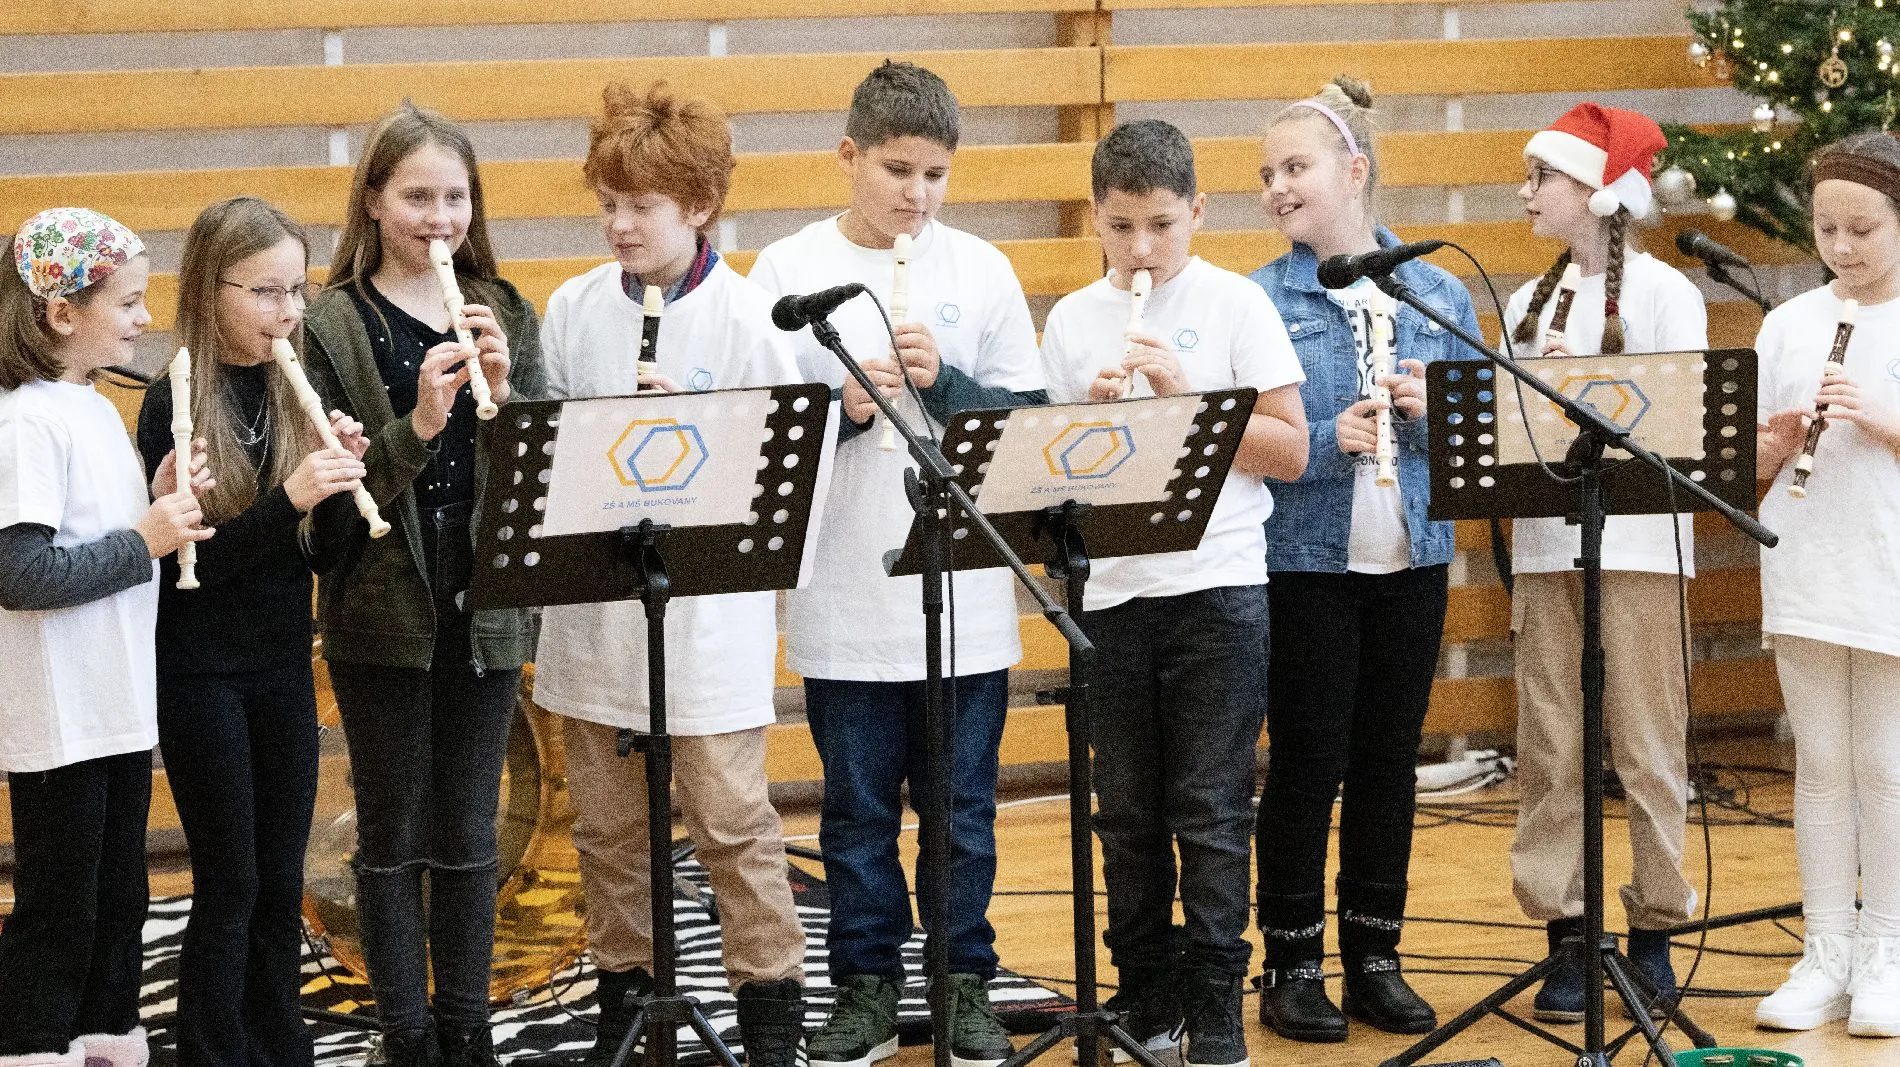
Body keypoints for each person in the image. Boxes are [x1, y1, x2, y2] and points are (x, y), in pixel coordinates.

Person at [748, 59, 1047, 1067]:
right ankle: (865, 987)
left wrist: (946, 382)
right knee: (857, 813)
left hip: (964, 600)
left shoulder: (982, 269)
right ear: (848, 155)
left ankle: (963, 982)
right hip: (842, 595)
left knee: (963, 812)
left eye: (935, 174)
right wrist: (843, 408)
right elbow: (760, 438)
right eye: (896, 169)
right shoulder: (785, 270)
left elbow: (1028, 423)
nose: (917, 194)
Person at [534, 80, 808, 1067]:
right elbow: (549, 466)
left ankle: (770, 1013)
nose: (619, 224)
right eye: (608, 202)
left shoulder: (753, 318)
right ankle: (629, 997)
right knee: (609, 830)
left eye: (641, 205)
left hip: (705, 622)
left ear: (698, 205)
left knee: (732, 822)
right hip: (598, 616)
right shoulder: (572, 307)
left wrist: (697, 421)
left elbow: (783, 481)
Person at [1039, 119, 1308, 1067]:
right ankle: (1146, 991)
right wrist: (1089, 433)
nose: (1142, 249)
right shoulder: (1072, 320)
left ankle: (1217, 1001)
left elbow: (1290, 450)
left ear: (1197, 210)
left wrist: (1187, 401)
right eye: (1121, 228)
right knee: (1126, 811)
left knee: (1211, 805)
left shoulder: (1237, 303)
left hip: (1216, 590)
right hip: (1111, 594)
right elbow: (1049, 479)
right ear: (1096, 219)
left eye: (1161, 224)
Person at [299, 103, 545, 1067]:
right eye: (416, 197)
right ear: (372, 200)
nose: (439, 218)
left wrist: (507, 400)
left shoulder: (502, 307)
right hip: (380, 600)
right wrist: (421, 425)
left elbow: (541, 466)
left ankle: (467, 1028)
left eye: (455, 197)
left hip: (485, 599)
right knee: (392, 832)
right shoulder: (333, 323)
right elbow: (328, 501)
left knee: (472, 829)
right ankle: (406, 1032)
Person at [1247, 76, 1476, 1043]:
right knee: (1307, 761)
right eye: (1267, 173)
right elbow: (1246, 443)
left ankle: (1376, 955)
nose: (1277, 188)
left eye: (1294, 167)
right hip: (1305, 565)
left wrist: (1435, 416)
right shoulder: (1262, 298)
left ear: (1355, 170)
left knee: (1389, 761)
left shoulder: (1438, 290)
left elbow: (1478, 446)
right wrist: (1319, 440)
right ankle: (1292, 962)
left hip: (1412, 561)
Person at [134, 196, 369, 1067]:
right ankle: (212, 1049)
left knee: (279, 881)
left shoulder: (291, 385)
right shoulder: (173, 400)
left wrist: (340, 488)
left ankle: (279, 1045)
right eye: (266, 292)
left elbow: (325, 557)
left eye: (298, 289)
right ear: (212, 291)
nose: (289, 310)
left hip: (280, 665)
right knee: (230, 882)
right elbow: (194, 572)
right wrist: (291, 496)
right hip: (200, 671)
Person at [1501, 103, 1706, 1022]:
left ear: (1595, 190)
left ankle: (1654, 931)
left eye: (1542, 177)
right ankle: (1569, 932)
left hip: (1641, 550)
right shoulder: (1524, 303)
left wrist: (1583, 389)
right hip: (1548, 550)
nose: (1526, 192)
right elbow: (1507, 437)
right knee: (1552, 743)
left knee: (1647, 742)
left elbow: (1679, 422)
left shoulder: (1664, 293)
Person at [0, 208, 210, 1067]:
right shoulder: (26, 420)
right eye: (126, 302)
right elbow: (22, 574)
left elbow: (100, 534)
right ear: (60, 313)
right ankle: (32, 1044)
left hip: (113, 703)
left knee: (120, 901)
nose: (144, 317)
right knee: (62, 908)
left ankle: (104, 1042)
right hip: (63, 715)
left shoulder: (85, 404)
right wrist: (146, 538)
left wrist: (154, 497)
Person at [1751, 130, 1900, 1039]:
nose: (1841, 247)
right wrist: (1771, 447)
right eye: (1826, 228)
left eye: (1863, 229)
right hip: (1807, 560)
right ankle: (1826, 950)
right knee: (1821, 764)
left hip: (1889, 568)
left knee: (1886, 765)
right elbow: (1747, 471)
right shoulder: (1790, 324)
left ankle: (1888, 949)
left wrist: (1884, 419)